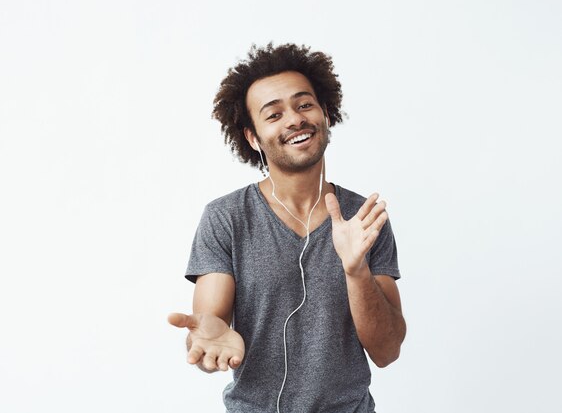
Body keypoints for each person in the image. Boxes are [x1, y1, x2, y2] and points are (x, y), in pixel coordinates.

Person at [168, 43, 406, 413]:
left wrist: (356, 271)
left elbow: (387, 351)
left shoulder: (364, 217)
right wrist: (210, 337)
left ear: (325, 113)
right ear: (252, 137)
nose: (294, 119)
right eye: (273, 114)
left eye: (304, 105)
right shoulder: (226, 217)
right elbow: (210, 321)